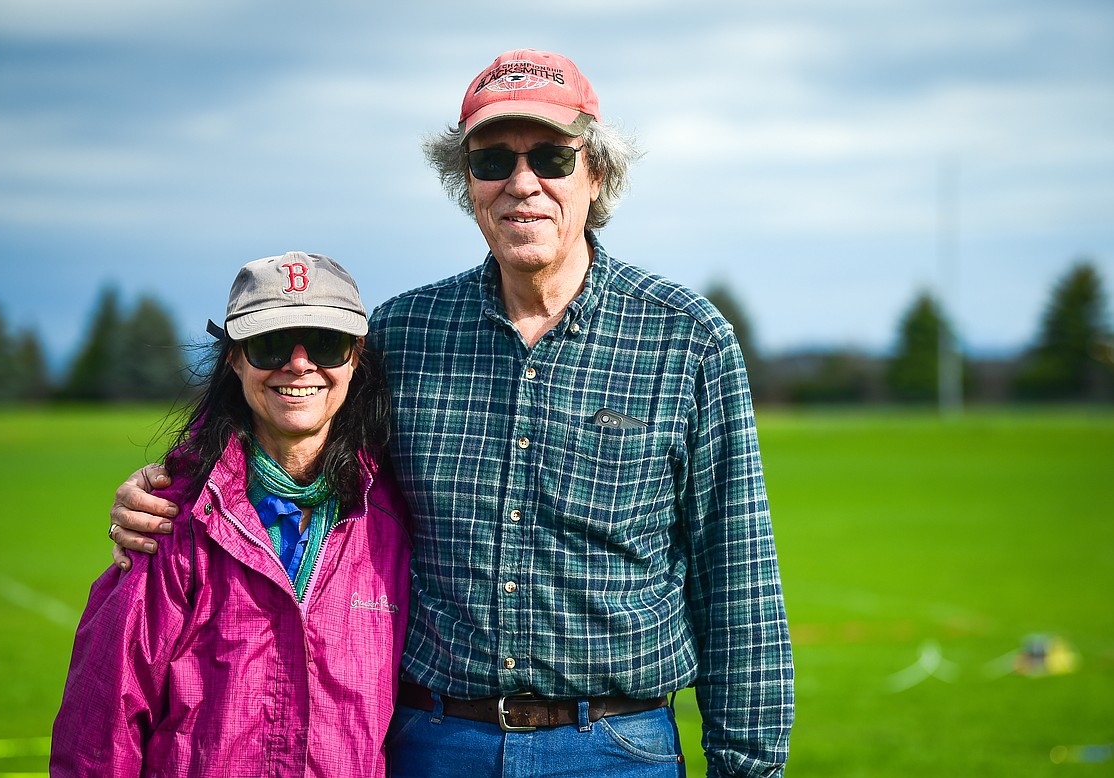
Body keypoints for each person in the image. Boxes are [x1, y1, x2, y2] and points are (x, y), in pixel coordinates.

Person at [110, 50, 793, 777]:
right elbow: (285, 447)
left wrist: (746, 765)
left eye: (553, 158)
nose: (522, 183)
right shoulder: (402, 335)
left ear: (596, 175)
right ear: (466, 182)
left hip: (617, 746)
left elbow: (737, 571)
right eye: (493, 159)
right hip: (434, 742)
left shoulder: (686, 337)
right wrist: (168, 495)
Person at [55, 252, 411, 777]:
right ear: (234, 359)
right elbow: (102, 729)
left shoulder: (395, 513)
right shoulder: (170, 521)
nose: (298, 364)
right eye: (269, 344)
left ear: (355, 358)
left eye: (325, 344)